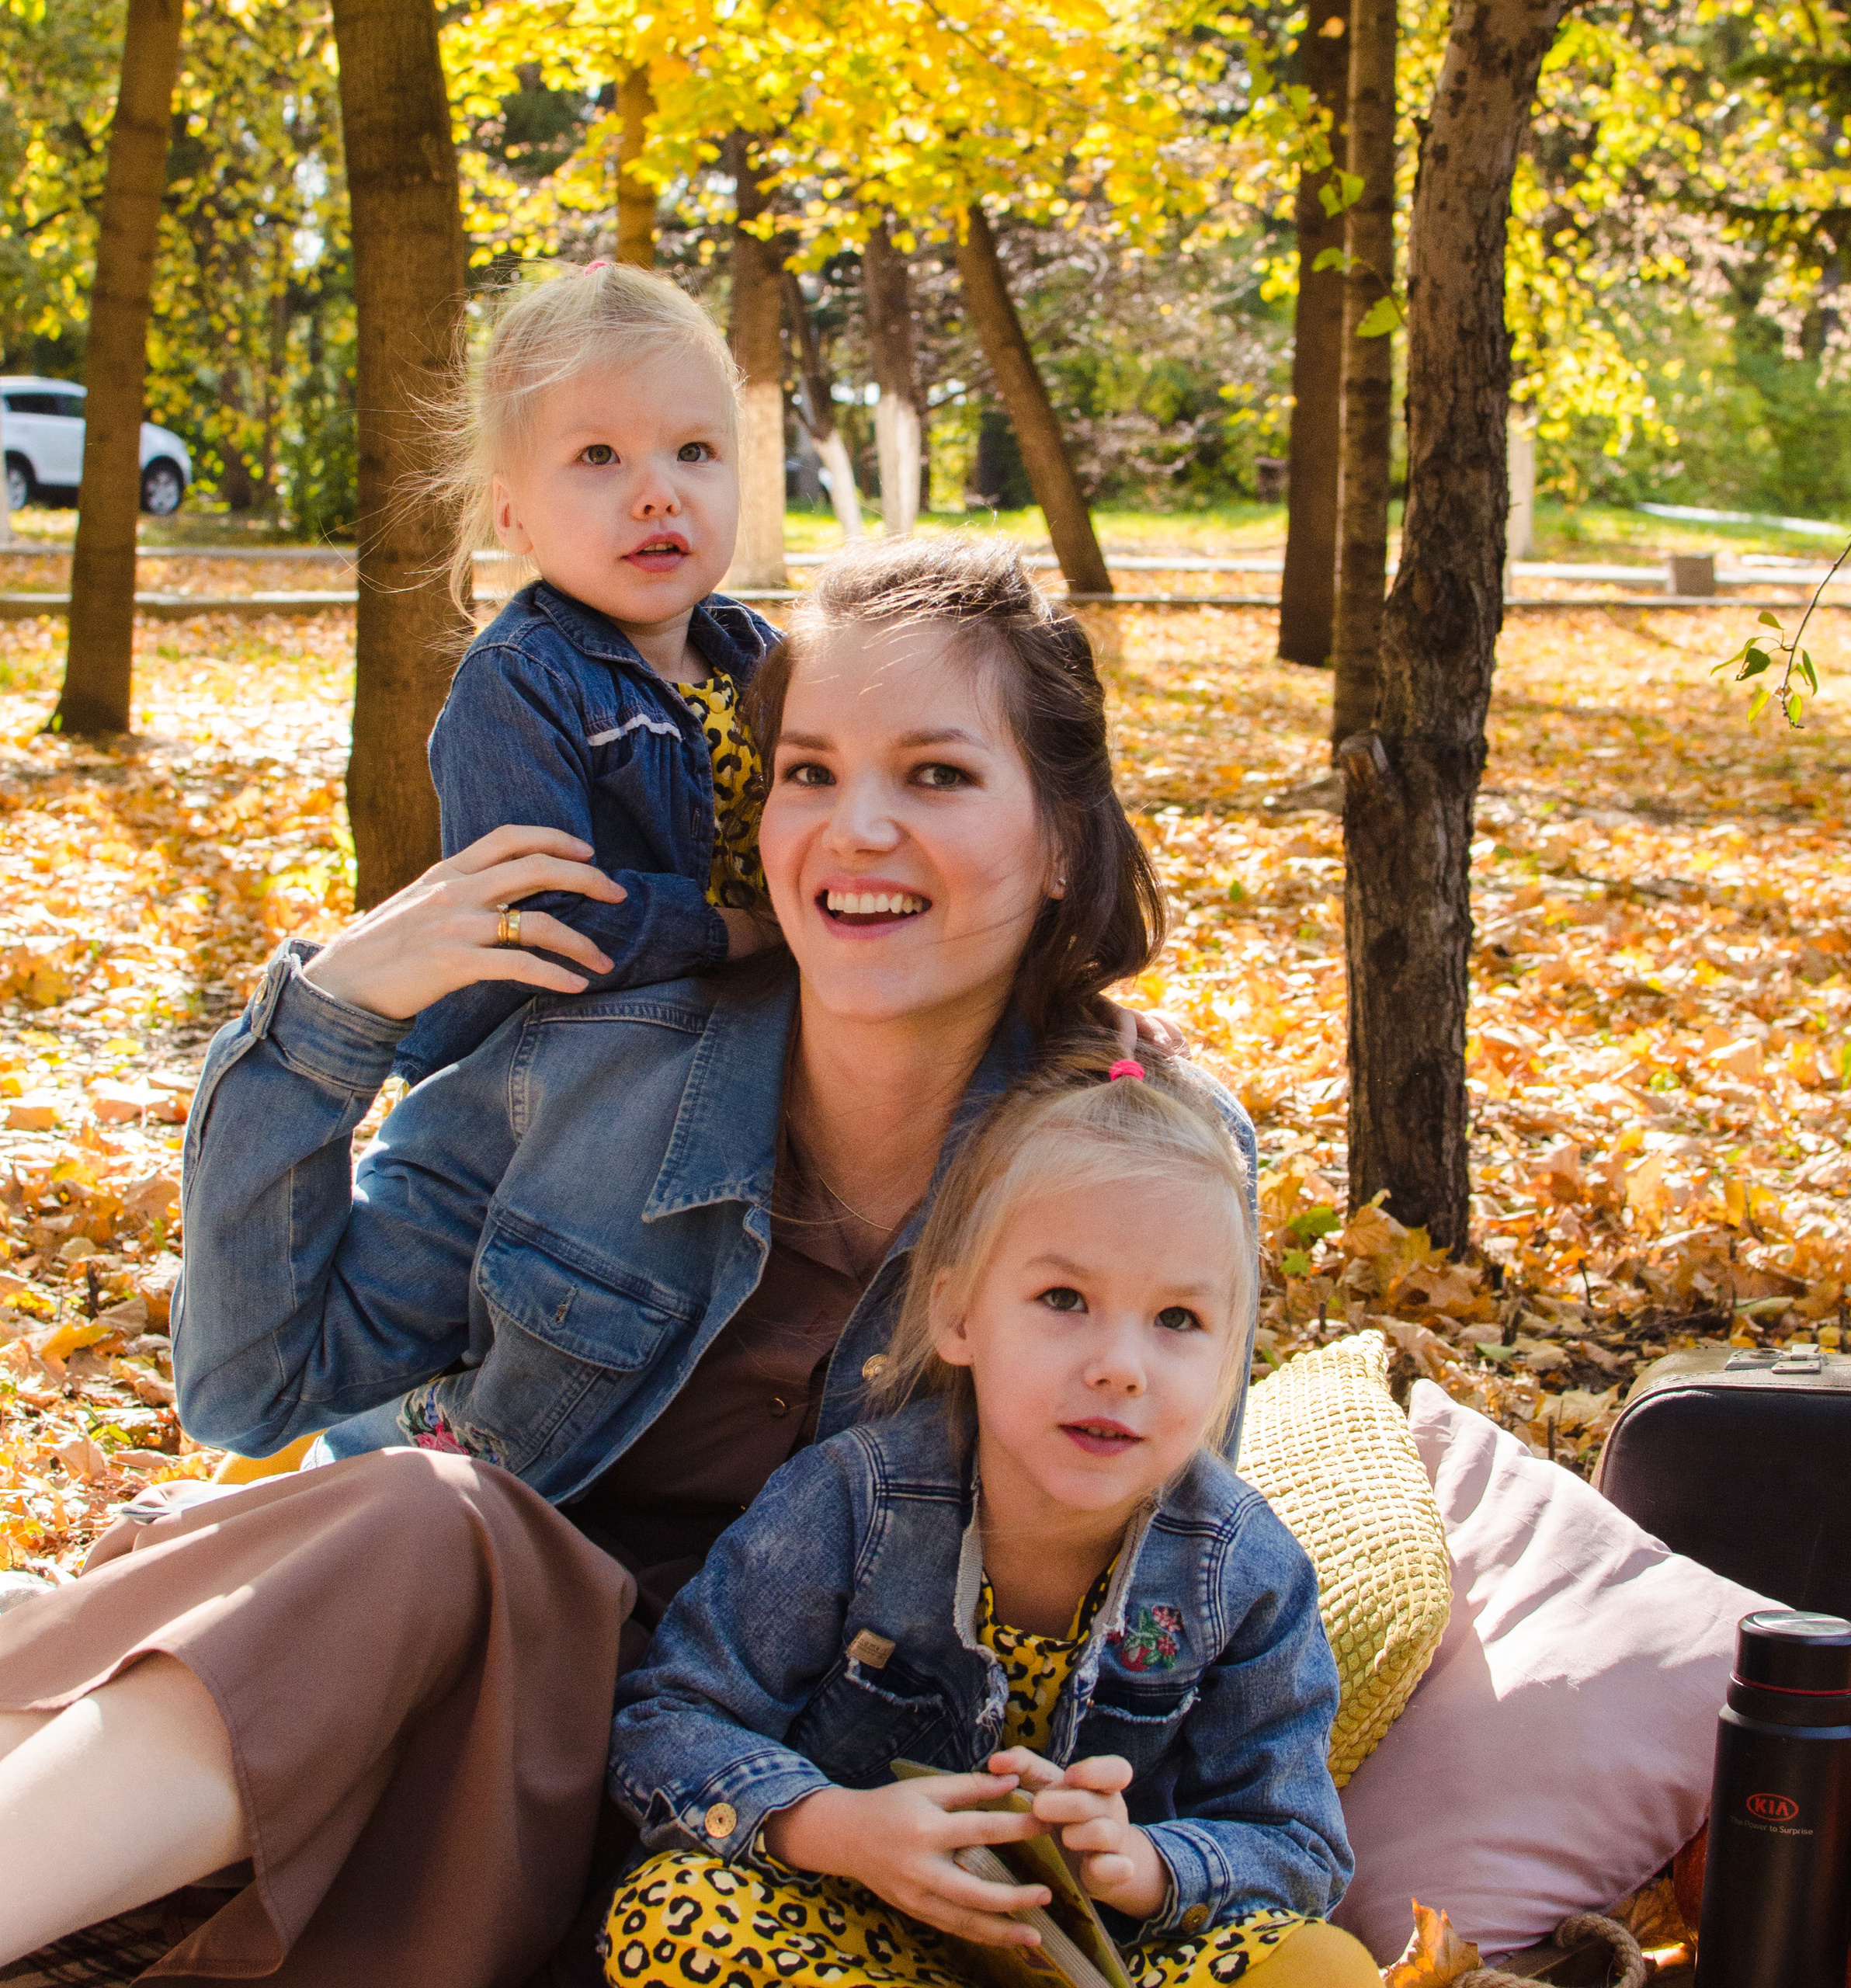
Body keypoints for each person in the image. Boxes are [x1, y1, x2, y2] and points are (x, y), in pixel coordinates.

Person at [0, 533, 1243, 1988]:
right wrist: (332, 1018)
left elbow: (1158, 1577)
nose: (853, 829)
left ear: (1065, 843)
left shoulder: (1145, 1150)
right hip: (433, 1705)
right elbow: (248, 1386)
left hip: (760, 1845)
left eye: (939, 775)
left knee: (435, 1534)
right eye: (810, 771)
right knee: (442, 1524)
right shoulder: (588, 1064)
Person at [603, 1059, 1380, 1988]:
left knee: (1323, 1967)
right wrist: (835, 1826)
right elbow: (671, 1717)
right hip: (859, 1929)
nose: (1120, 1367)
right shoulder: (853, 1501)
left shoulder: (1242, 1569)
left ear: (1226, 1363)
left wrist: (1143, 1866)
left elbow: (1295, 1844)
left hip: (1113, 1959)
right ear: (959, 1316)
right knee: (670, 1911)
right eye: (1063, 1300)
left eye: (1177, 1317)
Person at [395, 257, 782, 1088]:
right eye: (599, 455)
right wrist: (745, 931)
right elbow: (543, 917)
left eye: (694, 450)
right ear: (513, 513)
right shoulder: (523, 680)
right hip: (555, 1074)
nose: (658, 494)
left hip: (738, 1038)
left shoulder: (766, 660)